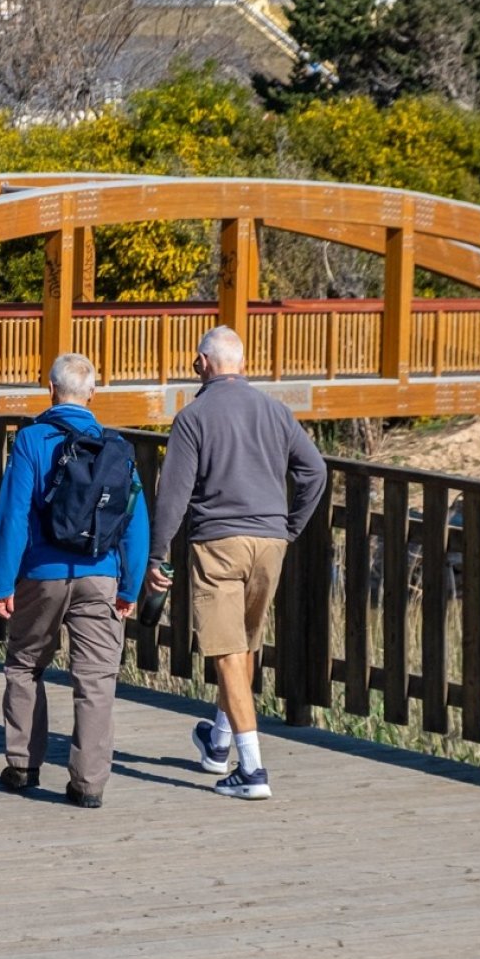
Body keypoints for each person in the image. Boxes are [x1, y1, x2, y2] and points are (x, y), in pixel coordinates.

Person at [146, 326, 326, 801]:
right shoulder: (275, 411)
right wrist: (290, 527)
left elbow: (174, 496)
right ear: (241, 364)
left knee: (227, 654)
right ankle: (219, 741)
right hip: (270, 542)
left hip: (218, 541)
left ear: (203, 363)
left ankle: (252, 771)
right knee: (243, 647)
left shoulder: (194, 417)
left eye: (195, 363)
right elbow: (315, 471)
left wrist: (156, 553)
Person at [0, 353, 148, 809]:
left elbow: (13, 517)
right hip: (100, 575)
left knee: (25, 665)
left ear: (51, 390)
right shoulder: (114, 446)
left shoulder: (32, 440)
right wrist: (129, 587)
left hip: (42, 574)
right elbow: (136, 523)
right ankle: (88, 784)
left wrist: (2, 583)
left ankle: (22, 766)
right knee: (96, 680)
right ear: (92, 394)